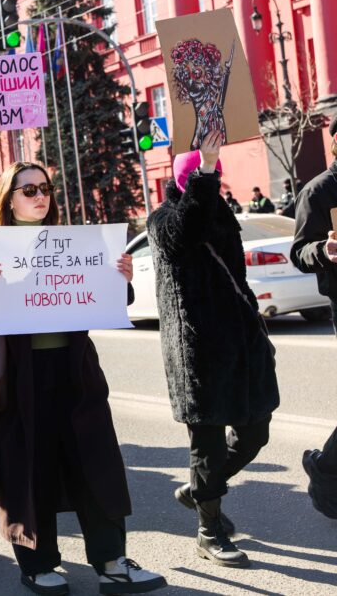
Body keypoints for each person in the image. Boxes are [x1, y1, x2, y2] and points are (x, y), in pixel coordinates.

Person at [0, 161, 165, 595]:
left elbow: (105, 299)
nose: (40, 197)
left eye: (45, 189)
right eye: (28, 190)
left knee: (97, 463)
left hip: (76, 377)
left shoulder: (74, 243)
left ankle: (111, 561)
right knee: (28, 470)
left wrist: (123, 280)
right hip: (19, 384)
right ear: (9, 199)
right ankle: (37, 563)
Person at [147, 132, 280, 568]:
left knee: (255, 432)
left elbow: (235, 278)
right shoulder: (163, 219)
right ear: (190, 179)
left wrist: (257, 333)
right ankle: (209, 531)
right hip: (199, 352)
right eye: (207, 176)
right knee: (206, 445)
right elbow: (186, 231)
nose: (216, 181)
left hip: (242, 344)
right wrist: (204, 170)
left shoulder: (223, 215)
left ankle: (198, 490)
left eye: (217, 175)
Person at [289, 118, 337, 519]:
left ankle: (325, 466)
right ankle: (325, 469)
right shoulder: (319, 190)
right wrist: (325, 249)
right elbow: (300, 251)